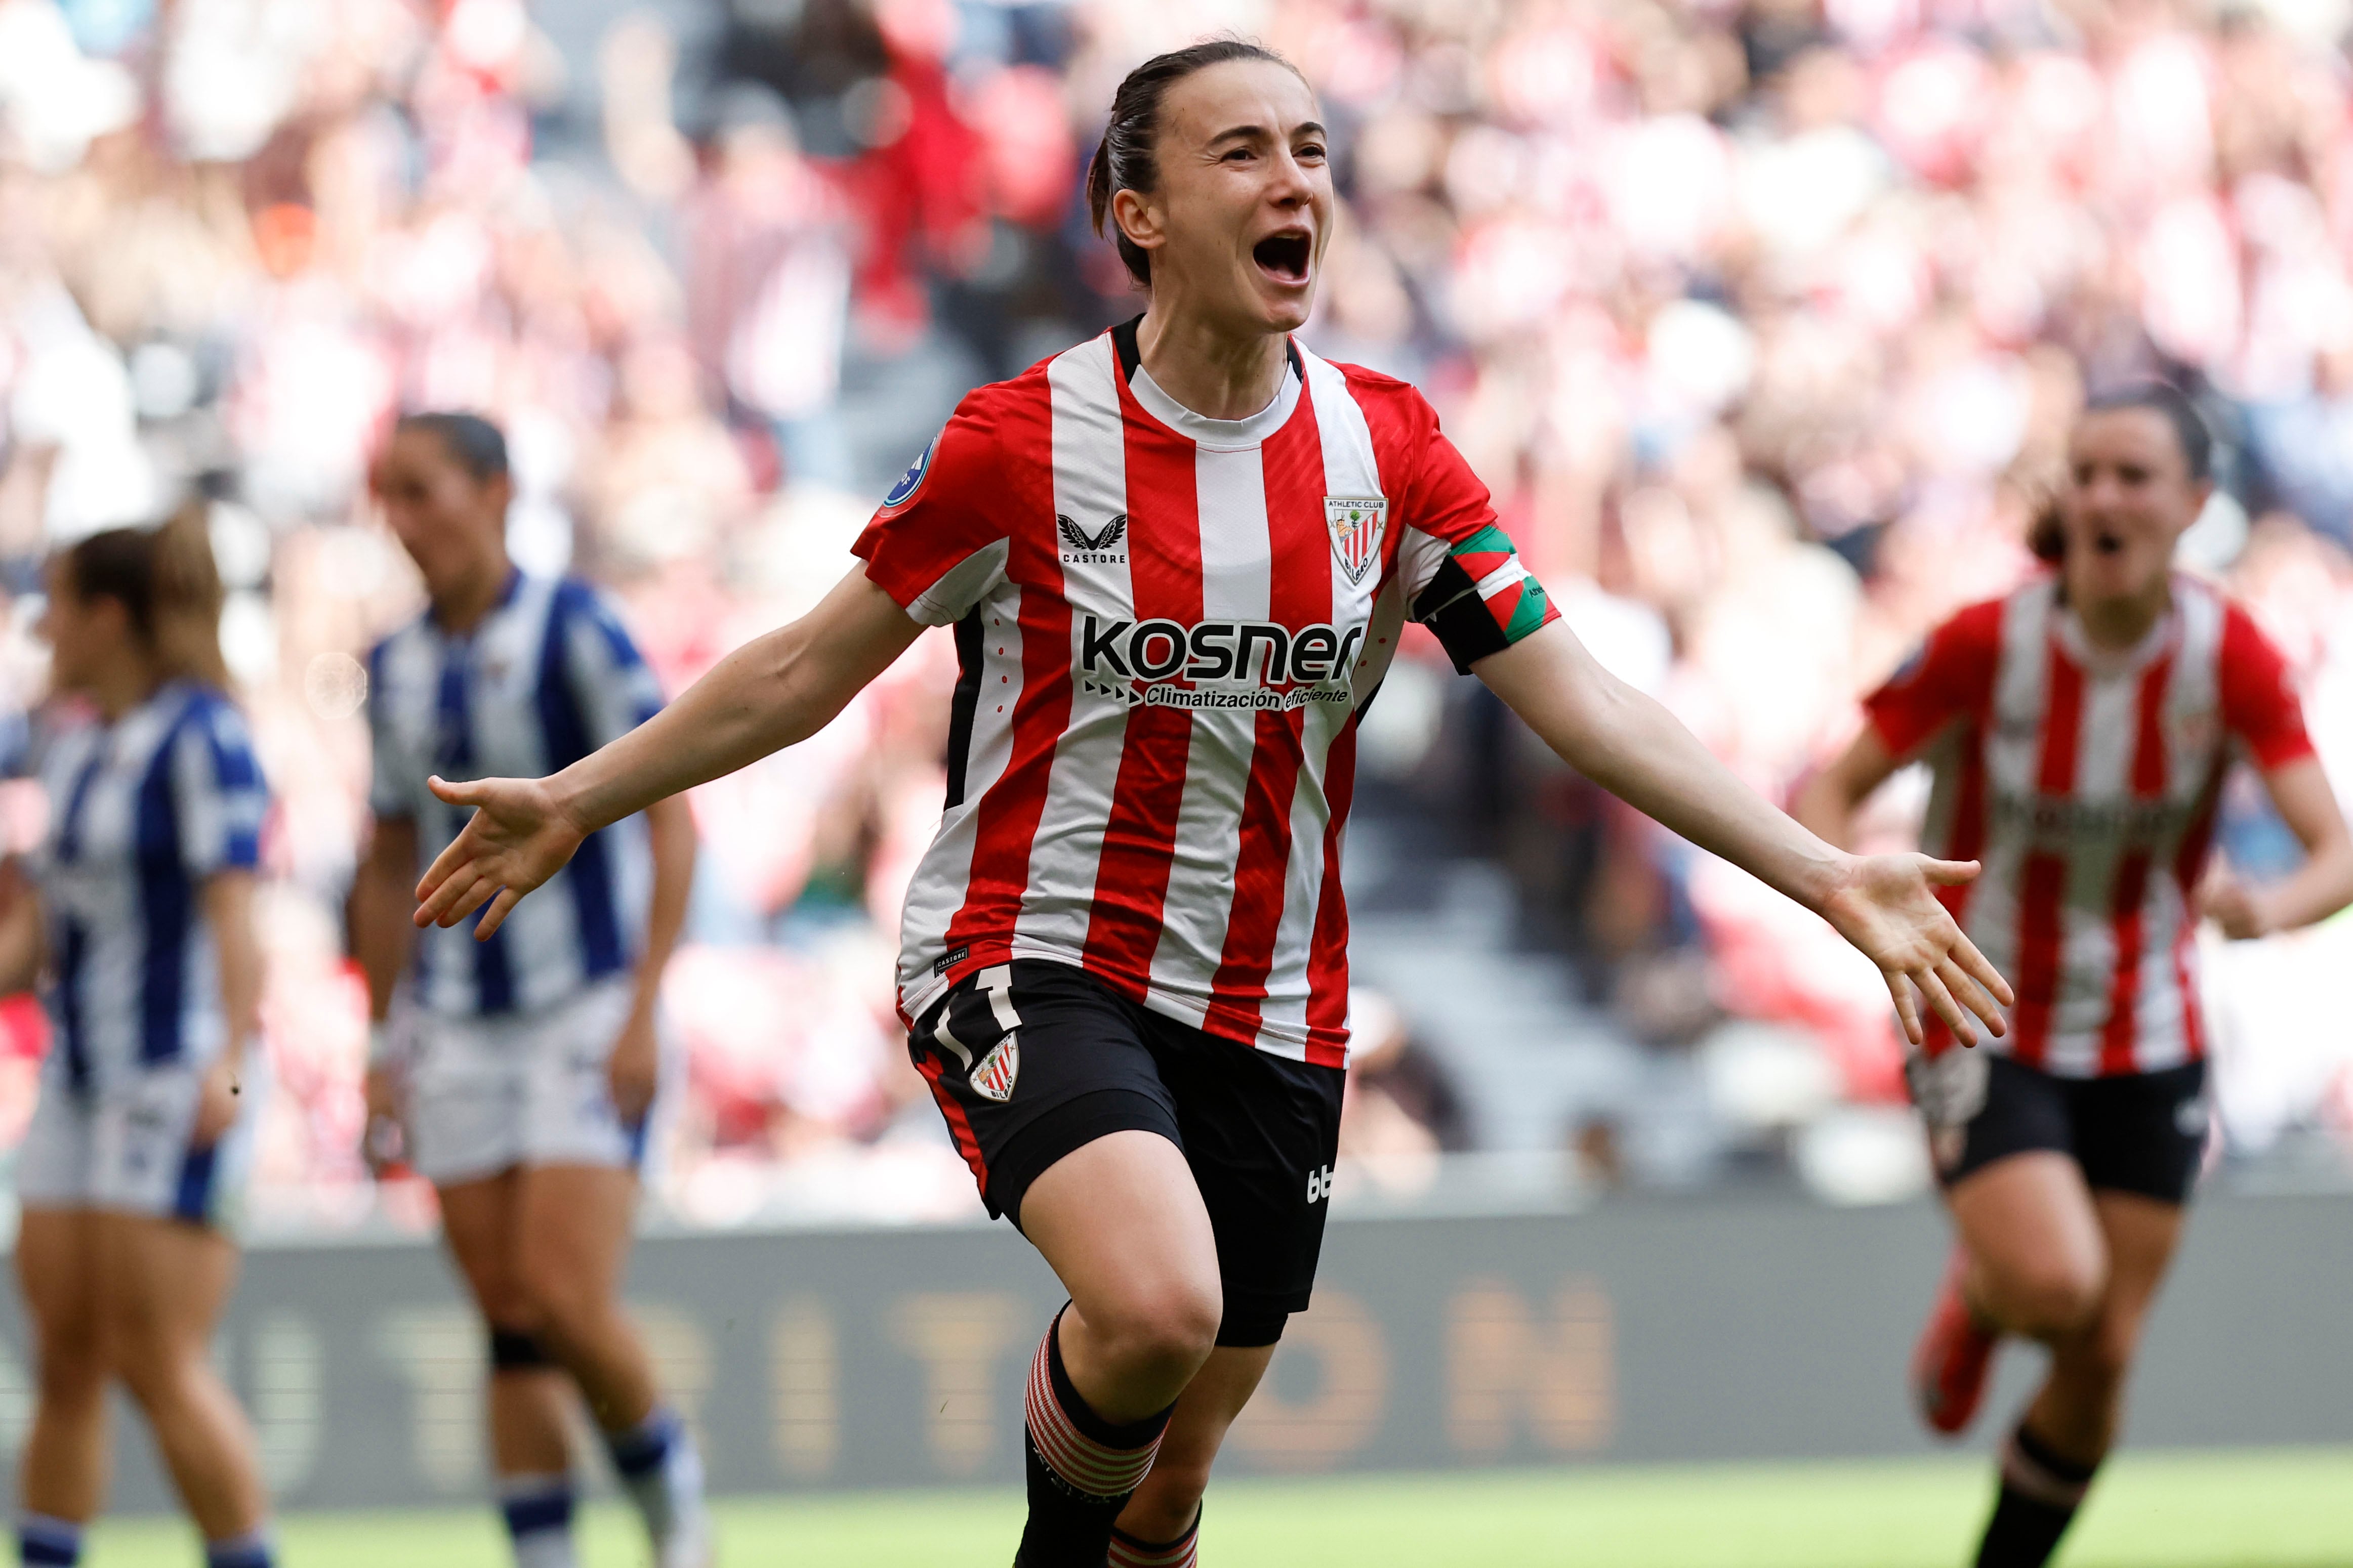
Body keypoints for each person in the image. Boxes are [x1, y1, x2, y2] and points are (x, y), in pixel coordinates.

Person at [409, 42, 2009, 1568]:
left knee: (1170, 1473)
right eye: (1243, 149)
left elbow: (1575, 694)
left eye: (1311, 149)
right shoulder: (1020, 444)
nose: (1293, 177)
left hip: (1271, 1002)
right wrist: (575, 797)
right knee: (1157, 1309)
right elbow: (797, 672)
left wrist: (1820, 873)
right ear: (1141, 215)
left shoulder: (1390, 453)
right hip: (1025, 948)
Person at [1796, 383, 2353, 1568]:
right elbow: (1828, 793)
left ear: (2194, 505)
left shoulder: (2229, 655)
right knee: (2057, 1284)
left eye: (2133, 476)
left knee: (2103, 1356)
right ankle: (1989, 1294)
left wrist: (2268, 909)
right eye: (2085, 472)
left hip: (2154, 1031)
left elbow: (2338, 851)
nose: (2102, 496)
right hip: (1982, 1017)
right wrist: (1867, 889)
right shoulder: (1984, 645)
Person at [350, 414, 707, 1568]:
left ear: (496, 490)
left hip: (581, 1004)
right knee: (507, 1317)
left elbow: (672, 814)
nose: (405, 520)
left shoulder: (577, 626)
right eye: (388, 497)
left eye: (424, 489)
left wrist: (647, 999)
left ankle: (676, 1521)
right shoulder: (390, 665)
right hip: (451, 1020)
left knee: (561, 1293)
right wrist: (379, 1031)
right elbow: (383, 860)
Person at [0, 510, 277, 1568]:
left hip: (172, 1074)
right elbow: (40, 933)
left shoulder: (204, 734)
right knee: (65, 1359)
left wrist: (235, 1062)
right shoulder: (69, 740)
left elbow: (234, 914)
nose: (42, 626)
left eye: (58, 604)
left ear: (107, 617)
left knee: (157, 1358)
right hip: (74, 1077)